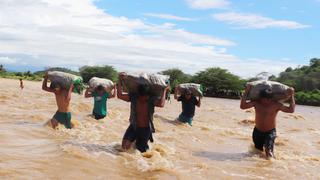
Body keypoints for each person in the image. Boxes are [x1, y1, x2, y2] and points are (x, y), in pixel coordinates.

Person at [117, 72, 170, 153]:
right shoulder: (134, 97)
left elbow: (161, 104)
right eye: (140, 96)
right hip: (134, 126)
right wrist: (120, 80)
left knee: (142, 152)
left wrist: (164, 90)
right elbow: (120, 95)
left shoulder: (151, 99)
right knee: (124, 146)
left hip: (145, 129)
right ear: (138, 94)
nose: (142, 98)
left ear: (148, 95)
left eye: (145, 97)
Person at [240, 84, 295, 159]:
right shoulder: (256, 103)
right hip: (257, 131)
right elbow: (242, 106)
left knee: (269, 152)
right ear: (261, 98)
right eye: (264, 99)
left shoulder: (276, 105)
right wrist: (247, 91)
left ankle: (273, 164)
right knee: (257, 152)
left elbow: (291, 110)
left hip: (270, 132)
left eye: (268, 99)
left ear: (271, 98)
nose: (266, 101)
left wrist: (292, 95)